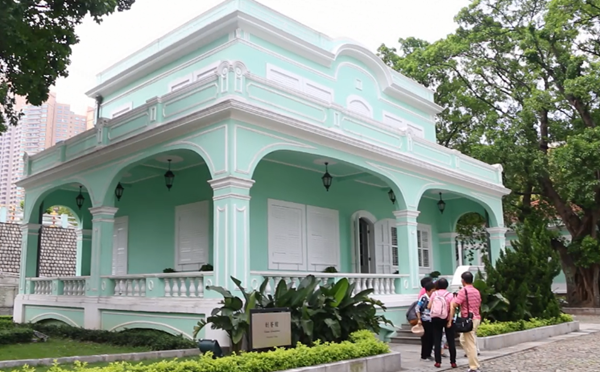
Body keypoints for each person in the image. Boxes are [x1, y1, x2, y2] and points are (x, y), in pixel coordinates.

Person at [448, 272, 482, 372]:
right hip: (476, 318)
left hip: (468, 320)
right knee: (463, 340)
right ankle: (473, 358)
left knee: (470, 343)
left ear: (463, 280)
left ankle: (474, 367)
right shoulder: (476, 291)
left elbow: (456, 304)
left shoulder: (464, 291)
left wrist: (453, 300)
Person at [428, 278, 457, 368]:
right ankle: (453, 362)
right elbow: (452, 308)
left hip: (436, 318)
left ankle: (438, 362)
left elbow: (429, 306)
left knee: (437, 340)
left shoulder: (434, 294)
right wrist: (450, 320)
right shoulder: (450, 295)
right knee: (451, 340)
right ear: (446, 285)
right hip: (446, 318)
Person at [416, 281, 435, 362]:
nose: (433, 293)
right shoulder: (424, 298)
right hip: (425, 320)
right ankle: (424, 355)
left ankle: (429, 354)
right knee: (425, 339)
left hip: (431, 320)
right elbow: (417, 308)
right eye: (432, 291)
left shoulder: (432, 298)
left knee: (431, 338)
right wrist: (419, 319)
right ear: (428, 291)